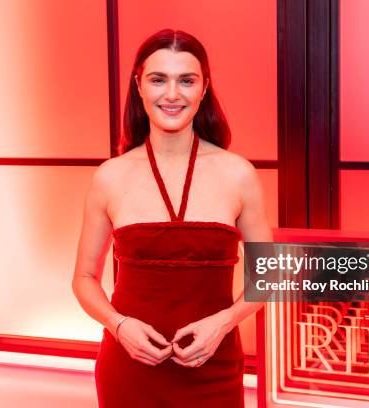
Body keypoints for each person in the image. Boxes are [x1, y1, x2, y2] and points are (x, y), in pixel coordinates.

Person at [72, 28, 272, 407]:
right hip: (128, 372)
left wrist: (224, 323)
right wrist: (119, 325)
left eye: (187, 80)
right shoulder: (110, 176)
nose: (172, 94)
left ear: (204, 87)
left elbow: (268, 274)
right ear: (139, 86)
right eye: (158, 79)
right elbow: (83, 278)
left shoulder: (238, 173)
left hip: (215, 367)